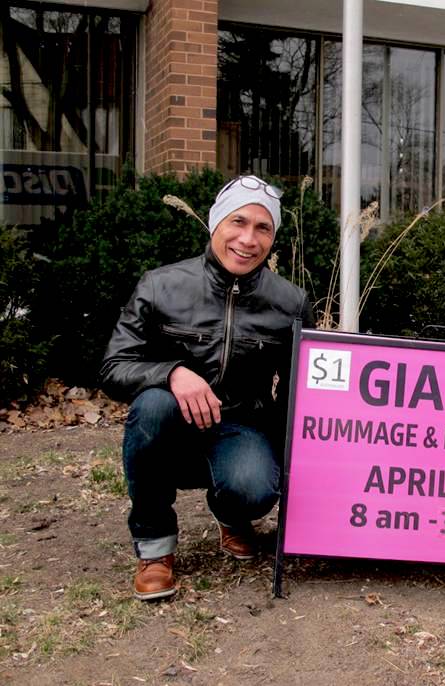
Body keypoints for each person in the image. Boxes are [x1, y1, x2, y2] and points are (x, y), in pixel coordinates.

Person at [100, 175, 314, 600]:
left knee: (255, 488)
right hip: (169, 426)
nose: (248, 239)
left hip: (239, 425)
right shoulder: (160, 285)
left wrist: (291, 464)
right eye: (238, 222)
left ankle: (232, 513)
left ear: (272, 237)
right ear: (215, 223)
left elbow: (295, 395)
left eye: (262, 228)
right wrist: (173, 373)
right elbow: (113, 367)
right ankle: (155, 548)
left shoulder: (290, 302)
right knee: (153, 407)